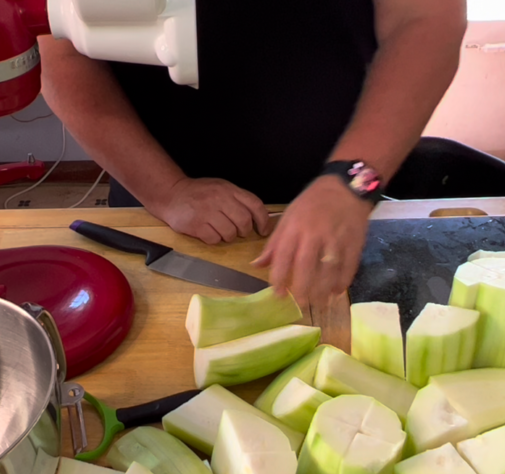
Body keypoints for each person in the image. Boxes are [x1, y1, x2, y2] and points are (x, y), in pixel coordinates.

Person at [39, 0, 467, 305]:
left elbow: (426, 21)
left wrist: (352, 181)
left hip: (348, 195)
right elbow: (61, 52)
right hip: (159, 205)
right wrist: (167, 191)